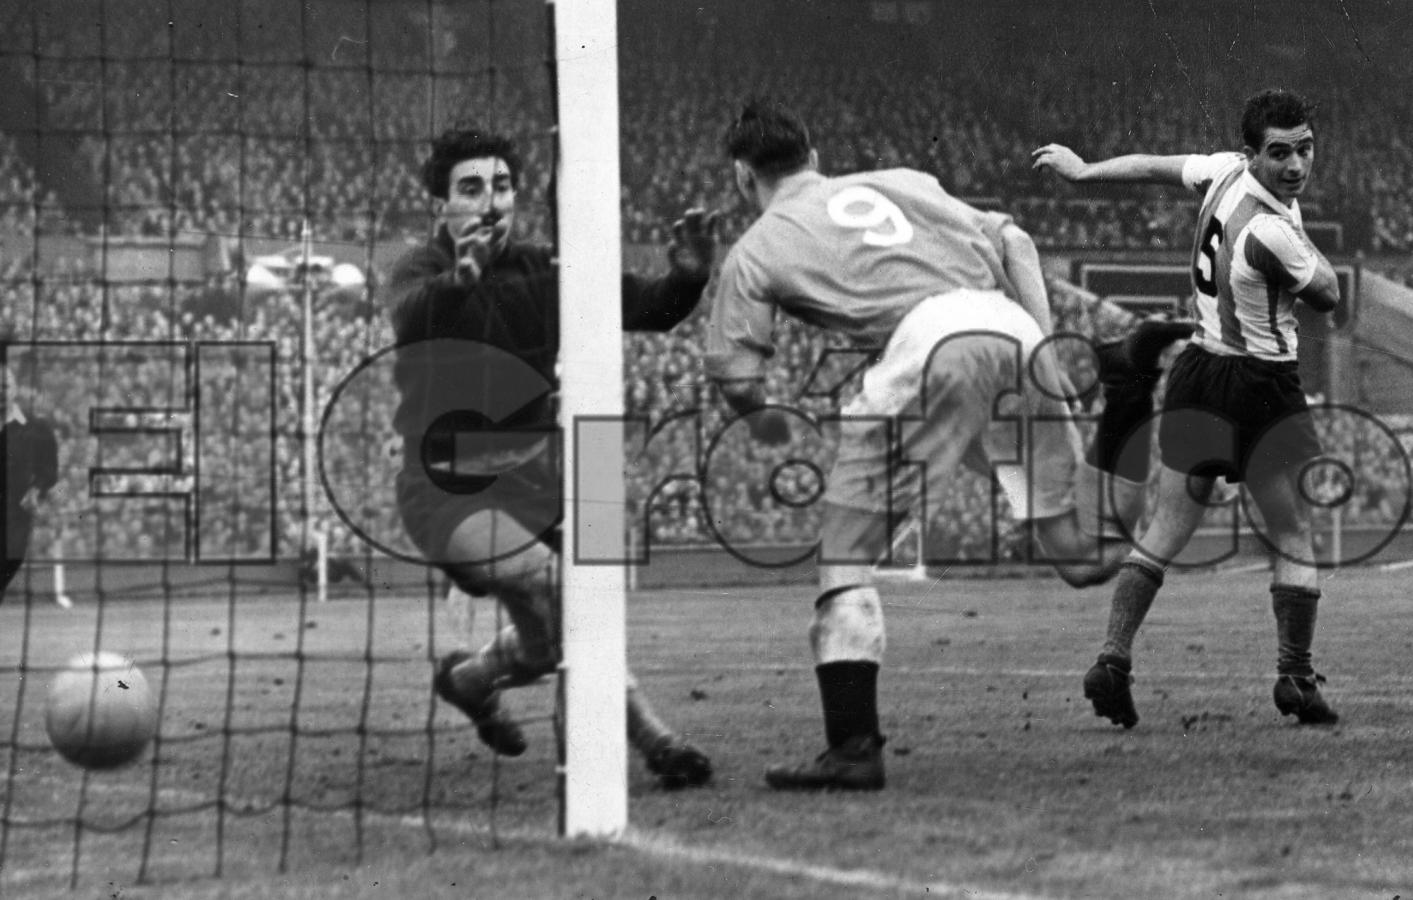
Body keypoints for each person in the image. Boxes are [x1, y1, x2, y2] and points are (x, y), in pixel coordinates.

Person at [706, 98, 1189, 790]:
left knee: (842, 555)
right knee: (1087, 558)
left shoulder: (755, 247)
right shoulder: (901, 180)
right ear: (813, 157)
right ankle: (1131, 388)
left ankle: (851, 749)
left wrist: (769, 421)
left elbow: (741, 383)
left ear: (738, 177)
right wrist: (1045, 353)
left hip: (932, 342)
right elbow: (1016, 245)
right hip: (1011, 328)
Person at [388, 127, 716, 788]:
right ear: (442, 204)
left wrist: (687, 277)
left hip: (555, 462)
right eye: (470, 188)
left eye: (501, 186)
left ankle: (468, 679)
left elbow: (648, 309)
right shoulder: (419, 269)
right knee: (561, 590)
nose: (489, 201)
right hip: (452, 482)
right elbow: (414, 320)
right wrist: (463, 278)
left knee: (549, 641)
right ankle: (654, 738)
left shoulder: (548, 268)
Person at [1032, 88, 1342, 728]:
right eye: (1280, 153)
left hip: (1198, 373)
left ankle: (1112, 659)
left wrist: (1085, 168)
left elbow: (1153, 164)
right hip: (1263, 382)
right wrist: (1306, 263)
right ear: (1252, 153)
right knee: (1292, 531)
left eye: (1305, 150)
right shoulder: (1274, 232)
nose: (1295, 166)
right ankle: (1295, 677)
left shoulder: (1219, 170)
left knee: (1165, 531)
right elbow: (1330, 295)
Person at [2, 347, 60, 599]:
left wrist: (37, 489)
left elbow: (49, 470)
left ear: (14, 389)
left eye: (5, 386)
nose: (1, 392)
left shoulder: (36, 428)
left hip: (14, 519)